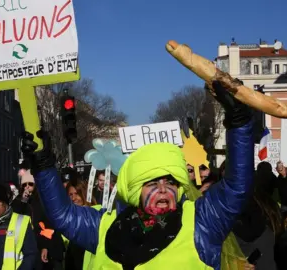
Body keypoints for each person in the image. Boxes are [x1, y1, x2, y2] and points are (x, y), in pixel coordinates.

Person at [21, 79, 255, 269]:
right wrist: (44, 167)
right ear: (135, 188)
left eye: (171, 182)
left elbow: (236, 188)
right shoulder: (104, 227)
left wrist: (239, 125)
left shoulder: (202, 222)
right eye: (152, 183)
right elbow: (62, 215)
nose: (163, 190)